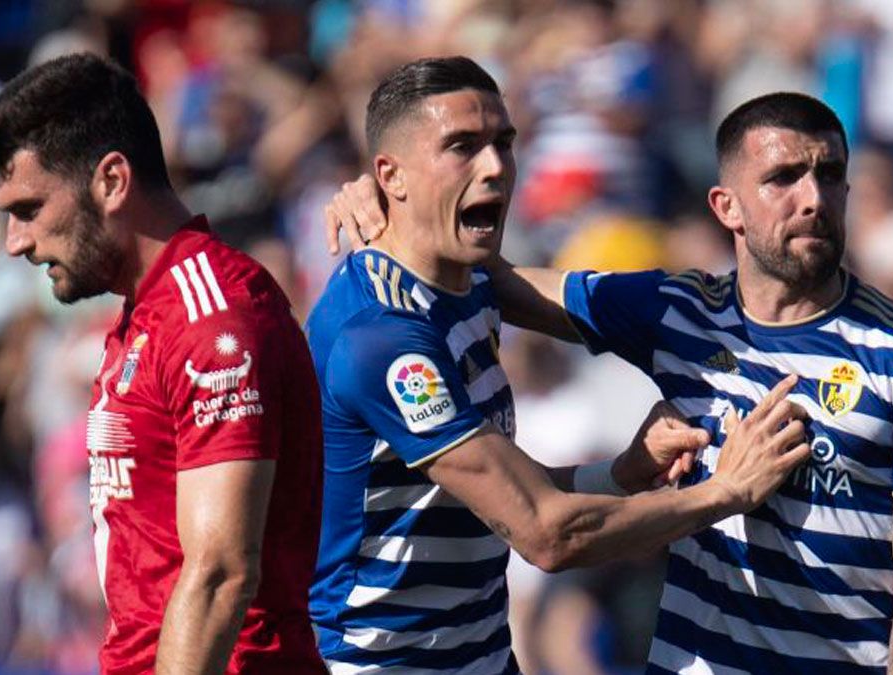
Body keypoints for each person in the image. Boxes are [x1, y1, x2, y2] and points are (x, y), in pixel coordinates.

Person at [327, 91, 893, 673]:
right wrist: (393, 205)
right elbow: (494, 277)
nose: (812, 198)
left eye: (829, 174)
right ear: (726, 205)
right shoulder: (679, 311)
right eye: (783, 177)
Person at [307, 56, 812, 674]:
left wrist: (623, 472)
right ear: (392, 175)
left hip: (483, 658)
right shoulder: (383, 337)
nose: (495, 168)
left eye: (504, 143)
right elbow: (546, 533)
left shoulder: (468, 286)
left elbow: (510, 492)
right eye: (462, 147)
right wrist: (726, 492)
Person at [0, 53, 325, 674]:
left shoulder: (213, 322)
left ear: (111, 181)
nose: (15, 243)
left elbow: (219, 573)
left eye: (28, 209)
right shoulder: (144, 315)